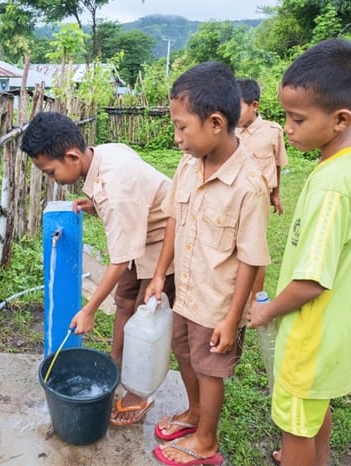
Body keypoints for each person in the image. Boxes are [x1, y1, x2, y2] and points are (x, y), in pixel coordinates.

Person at [245, 38, 351, 466]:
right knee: (313, 413)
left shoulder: (331, 186)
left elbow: (310, 281)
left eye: (297, 118)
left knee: (294, 426)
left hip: (309, 336)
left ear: (340, 119)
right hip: (338, 330)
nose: (287, 127)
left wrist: (267, 312)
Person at [145, 61, 270, 466]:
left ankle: (206, 441)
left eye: (182, 127)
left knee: (211, 368)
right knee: (184, 354)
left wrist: (233, 319)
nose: (177, 136)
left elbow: (251, 260)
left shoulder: (249, 187)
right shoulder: (187, 165)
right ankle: (195, 414)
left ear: (215, 123)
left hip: (218, 304)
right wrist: (159, 275)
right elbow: (174, 222)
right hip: (185, 290)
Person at [20, 111, 176, 427]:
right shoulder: (104, 153)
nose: (52, 179)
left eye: (50, 172)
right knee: (124, 303)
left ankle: (139, 392)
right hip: (142, 235)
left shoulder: (114, 190)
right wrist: (95, 205)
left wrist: (89, 309)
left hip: (166, 244)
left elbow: (118, 261)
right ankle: (117, 365)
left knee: (145, 320)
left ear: (72, 156)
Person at [236, 78, 289, 299]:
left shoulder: (272, 131)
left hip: (259, 200)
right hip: (233, 197)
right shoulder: (229, 131)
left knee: (255, 249)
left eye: (236, 106)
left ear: (254, 105)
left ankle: (255, 299)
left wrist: (276, 194)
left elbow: (277, 164)